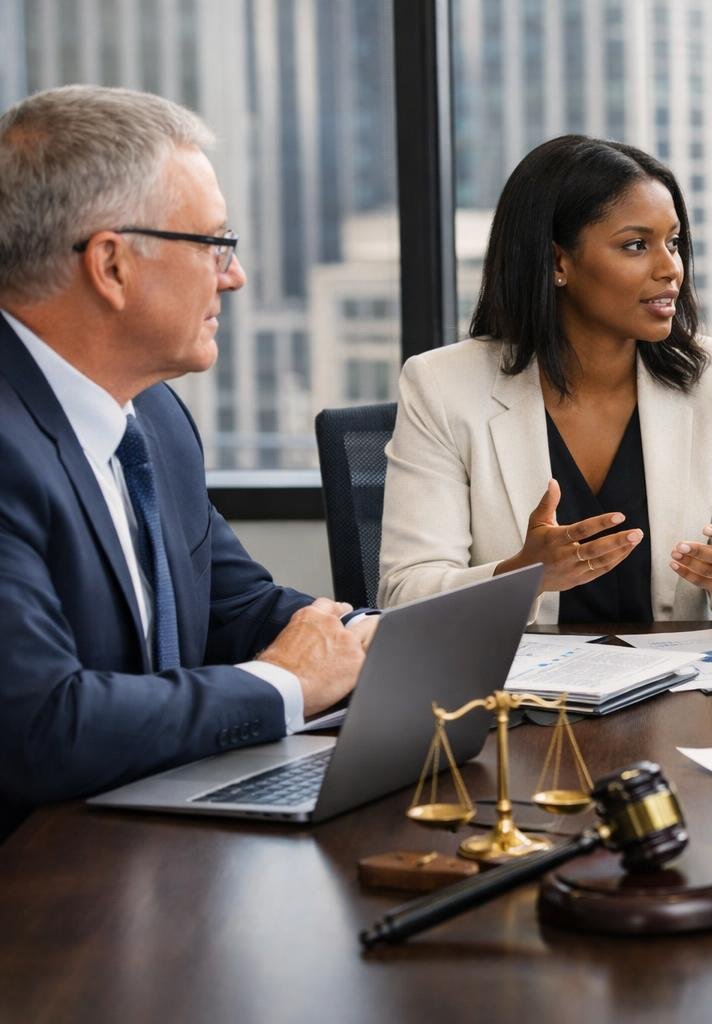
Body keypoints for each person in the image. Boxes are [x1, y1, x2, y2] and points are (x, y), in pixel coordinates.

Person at [0, 86, 374, 838]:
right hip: (38, 891)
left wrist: (385, 644)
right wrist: (285, 684)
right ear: (111, 264)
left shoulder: (155, 418)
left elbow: (234, 609)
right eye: (213, 244)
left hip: (144, 845)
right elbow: (39, 725)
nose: (231, 276)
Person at [379, 135, 712, 630]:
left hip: (679, 692)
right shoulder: (442, 385)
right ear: (558, 262)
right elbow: (404, 596)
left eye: (675, 243)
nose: (670, 269)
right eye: (636, 245)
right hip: (524, 698)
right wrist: (525, 574)